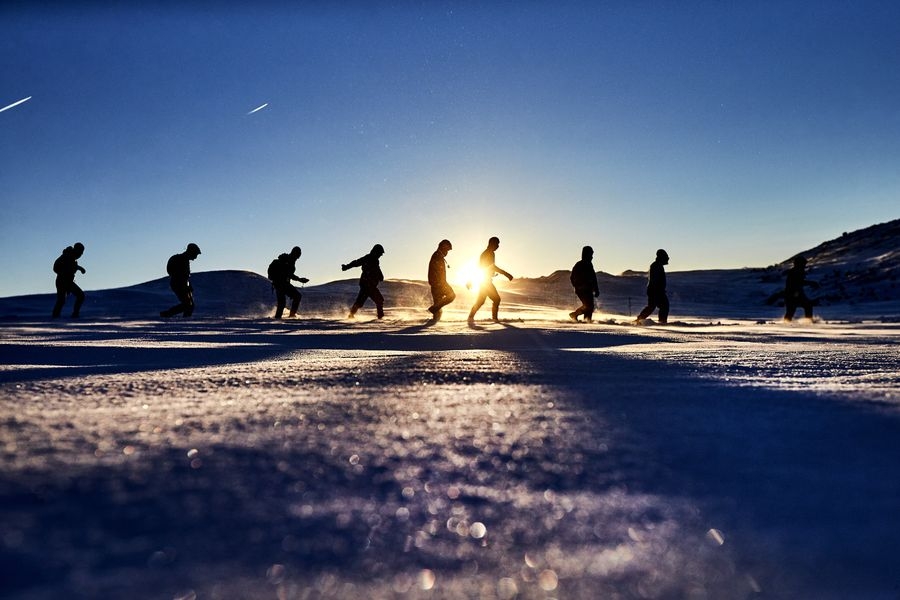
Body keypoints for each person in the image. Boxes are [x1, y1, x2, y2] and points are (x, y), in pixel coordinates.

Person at [467, 236, 513, 323]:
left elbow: (485, 268)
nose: (498, 246)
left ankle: (471, 317)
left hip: (484, 281)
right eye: (497, 244)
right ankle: (494, 319)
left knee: (481, 301)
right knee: (496, 299)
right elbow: (490, 267)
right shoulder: (488, 253)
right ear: (492, 243)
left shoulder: (489, 253)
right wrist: (506, 274)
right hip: (485, 282)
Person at [342, 244, 385, 319]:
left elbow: (377, 269)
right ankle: (351, 315)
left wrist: (380, 276)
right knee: (363, 302)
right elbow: (356, 262)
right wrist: (346, 266)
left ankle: (380, 317)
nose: (380, 255)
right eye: (380, 253)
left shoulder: (375, 260)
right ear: (376, 252)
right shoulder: (368, 258)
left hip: (370, 285)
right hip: (366, 285)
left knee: (378, 300)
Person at [268, 246, 309, 319]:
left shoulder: (291, 262)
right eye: (297, 255)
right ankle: (278, 319)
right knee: (282, 303)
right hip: (279, 284)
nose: (297, 257)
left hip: (284, 284)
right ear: (294, 253)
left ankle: (291, 316)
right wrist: (300, 279)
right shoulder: (286, 261)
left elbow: (289, 275)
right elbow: (288, 274)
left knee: (296, 296)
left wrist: (300, 279)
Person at [161, 243, 201, 318]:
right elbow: (181, 275)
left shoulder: (183, 259)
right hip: (179, 284)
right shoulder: (182, 259)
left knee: (189, 305)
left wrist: (188, 286)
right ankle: (167, 314)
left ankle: (184, 318)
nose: (196, 257)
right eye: (196, 254)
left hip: (181, 284)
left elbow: (184, 276)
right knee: (188, 304)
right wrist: (184, 284)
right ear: (191, 252)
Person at [52, 242, 86, 318]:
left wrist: (80, 268)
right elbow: (56, 267)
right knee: (78, 296)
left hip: (67, 281)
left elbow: (71, 266)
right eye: (80, 252)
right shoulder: (67, 256)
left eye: (82, 252)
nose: (81, 254)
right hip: (63, 281)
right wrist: (64, 273)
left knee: (62, 300)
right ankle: (57, 316)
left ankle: (57, 316)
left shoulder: (71, 257)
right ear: (76, 250)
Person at [636, 249, 669, 324]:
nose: (668, 258)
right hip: (656, 291)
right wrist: (658, 290)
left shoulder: (658, 265)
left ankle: (640, 320)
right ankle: (662, 322)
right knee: (661, 306)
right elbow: (655, 280)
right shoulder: (656, 266)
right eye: (666, 256)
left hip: (656, 290)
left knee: (653, 306)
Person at [569, 245, 600, 322]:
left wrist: (596, 289)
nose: (592, 256)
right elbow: (572, 277)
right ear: (586, 254)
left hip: (588, 289)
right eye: (590, 254)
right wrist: (578, 286)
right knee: (588, 305)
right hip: (582, 290)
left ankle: (587, 320)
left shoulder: (589, 265)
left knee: (589, 306)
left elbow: (593, 278)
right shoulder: (579, 265)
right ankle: (577, 316)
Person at [427, 239, 455, 320]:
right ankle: (434, 308)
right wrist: (440, 284)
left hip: (438, 284)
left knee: (438, 311)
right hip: (439, 284)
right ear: (443, 248)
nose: (447, 253)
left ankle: (435, 312)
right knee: (451, 296)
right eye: (447, 250)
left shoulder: (438, 256)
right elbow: (436, 273)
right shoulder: (437, 256)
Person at [784, 255, 819, 321]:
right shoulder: (795, 272)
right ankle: (787, 324)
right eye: (803, 263)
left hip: (797, 293)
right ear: (799, 263)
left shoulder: (799, 271)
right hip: (792, 293)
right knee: (792, 310)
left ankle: (808, 321)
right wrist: (811, 283)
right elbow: (798, 282)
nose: (805, 265)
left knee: (806, 306)